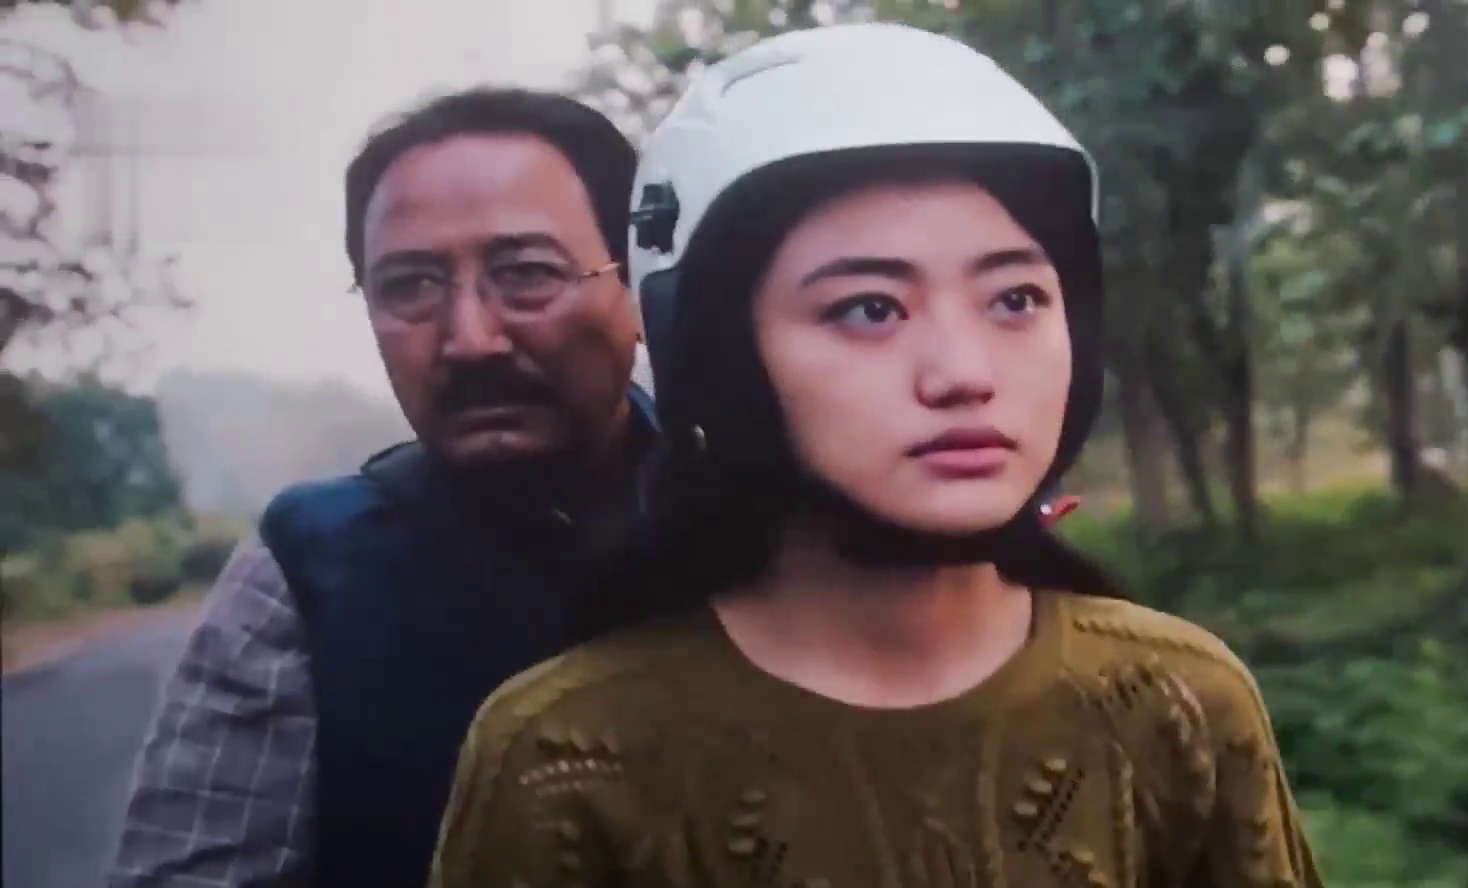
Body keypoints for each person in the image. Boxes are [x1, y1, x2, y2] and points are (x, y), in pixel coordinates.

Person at [430, 23, 1324, 888]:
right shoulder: (566, 755)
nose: (964, 373)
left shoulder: (1177, 702)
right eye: (870, 309)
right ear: (719, 359)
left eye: (1015, 299)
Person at [109, 87, 657, 888]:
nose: (469, 339)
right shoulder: (309, 570)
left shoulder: (764, 524)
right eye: (409, 286)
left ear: (639, 286)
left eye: (527, 274)